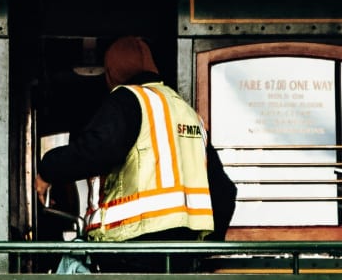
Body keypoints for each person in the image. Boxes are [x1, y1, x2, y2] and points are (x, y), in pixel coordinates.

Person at [36, 37, 237, 254]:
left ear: (111, 73)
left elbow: (97, 150)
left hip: (134, 247)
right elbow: (224, 191)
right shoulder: (188, 113)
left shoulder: (128, 100)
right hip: (184, 253)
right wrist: (207, 249)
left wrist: (48, 170)